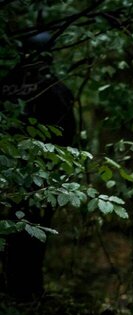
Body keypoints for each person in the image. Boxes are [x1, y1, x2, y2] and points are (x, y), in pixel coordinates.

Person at [0, 31, 75, 300]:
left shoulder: (6, 82)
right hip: (39, 181)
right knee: (32, 240)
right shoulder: (54, 87)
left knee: (12, 238)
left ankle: (17, 293)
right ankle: (27, 295)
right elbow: (68, 137)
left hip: (10, 178)